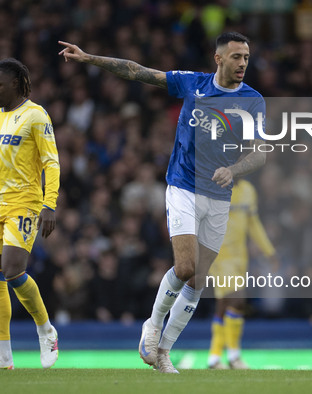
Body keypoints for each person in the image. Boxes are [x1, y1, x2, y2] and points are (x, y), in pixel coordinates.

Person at [59, 32, 267, 373]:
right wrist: (89, 58)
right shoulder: (192, 84)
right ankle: (152, 327)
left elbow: (260, 151)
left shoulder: (252, 100)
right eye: (236, 57)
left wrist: (234, 168)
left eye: (246, 57)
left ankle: (164, 351)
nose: (243, 63)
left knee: (199, 279)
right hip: (183, 186)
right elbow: (135, 70)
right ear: (219, 59)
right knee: (185, 268)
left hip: (219, 195)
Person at [0, 58, 60, 370]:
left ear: (16, 83)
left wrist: (49, 204)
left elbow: (51, 162)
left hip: (24, 203)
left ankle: (45, 329)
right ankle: (3, 357)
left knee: (13, 270)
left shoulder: (36, 116)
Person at [206, 179, 277, 369]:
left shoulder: (248, 189)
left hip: (240, 257)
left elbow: (253, 223)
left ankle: (214, 357)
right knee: (238, 300)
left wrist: (268, 251)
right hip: (219, 255)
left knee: (224, 304)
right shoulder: (213, 187)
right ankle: (234, 356)